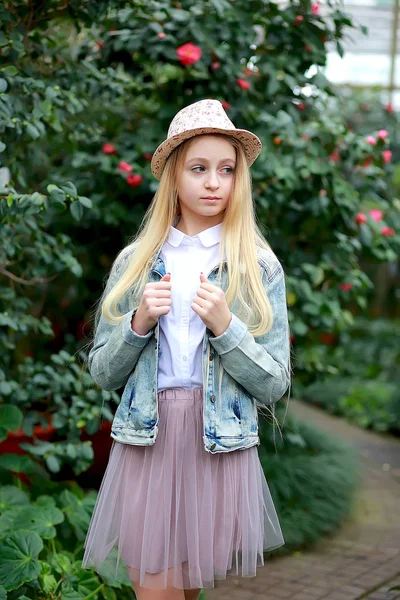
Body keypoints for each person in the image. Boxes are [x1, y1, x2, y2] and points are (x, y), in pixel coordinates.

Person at [81, 99, 291, 599]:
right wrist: (137, 323)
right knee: (156, 589)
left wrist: (227, 328)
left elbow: (274, 382)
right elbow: (103, 373)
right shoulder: (138, 262)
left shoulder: (257, 267)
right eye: (199, 168)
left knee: (186, 588)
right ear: (174, 176)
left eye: (227, 170)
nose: (214, 182)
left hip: (215, 444)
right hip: (151, 441)